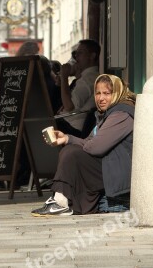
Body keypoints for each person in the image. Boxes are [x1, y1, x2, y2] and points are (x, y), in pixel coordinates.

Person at [31, 74, 136, 216]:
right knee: (71, 150)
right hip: (108, 167)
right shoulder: (107, 114)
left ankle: (60, 201)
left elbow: (95, 147)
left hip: (116, 172)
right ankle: (60, 200)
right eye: (98, 93)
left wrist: (73, 141)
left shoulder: (121, 114)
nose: (101, 98)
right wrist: (67, 138)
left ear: (117, 93)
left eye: (107, 93)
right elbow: (90, 142)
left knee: (73, 154)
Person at [57, 39, 100, 137]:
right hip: (68, 124)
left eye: (80, 53)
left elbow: (69, 106)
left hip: (72, 128)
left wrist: (64, 77)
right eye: (76, 53)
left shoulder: (89, 79)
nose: (76, 56)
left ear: (92, 56)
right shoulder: (86, 77)